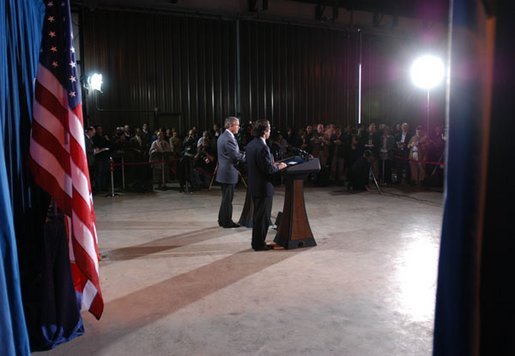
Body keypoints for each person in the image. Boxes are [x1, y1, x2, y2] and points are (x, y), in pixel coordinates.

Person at [246, 119, 287, 251]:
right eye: (269, 129)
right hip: (263, 187)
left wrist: (271, 165)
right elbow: (268, 170)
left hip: (254, 185)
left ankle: (256, 242)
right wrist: (279, 167)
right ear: (264, 131)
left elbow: (260, 165)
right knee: (262, 218)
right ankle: (259, 244)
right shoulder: (263, 147)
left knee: (258, 216)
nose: (270, 132)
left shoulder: (251, 144)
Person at [216, 117, 245, 228]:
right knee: (228, 199)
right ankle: (227, 222)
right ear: (231, 125)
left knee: (225, 198)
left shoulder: (222, 136)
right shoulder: (229, 138)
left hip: (223, 172)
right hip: (228, 173)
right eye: (237, 125)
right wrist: (247, 156)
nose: (239, 127)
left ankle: (222, 220)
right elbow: (235, 156)